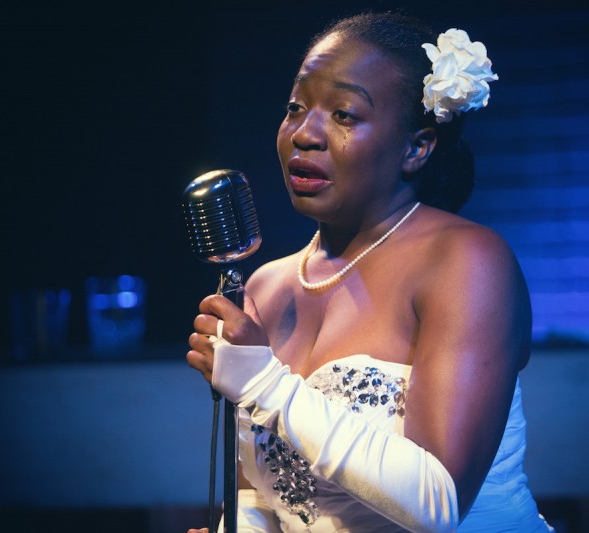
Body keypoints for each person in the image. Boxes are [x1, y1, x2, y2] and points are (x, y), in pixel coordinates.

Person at [187, 11, 553, 533]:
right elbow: (271, 493)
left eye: (342, 114)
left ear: (416, 146)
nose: (304, 134)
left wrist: (267, 384)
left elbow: (438, 503)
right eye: (295, 108)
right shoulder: (267, 286)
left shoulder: (467, 261)